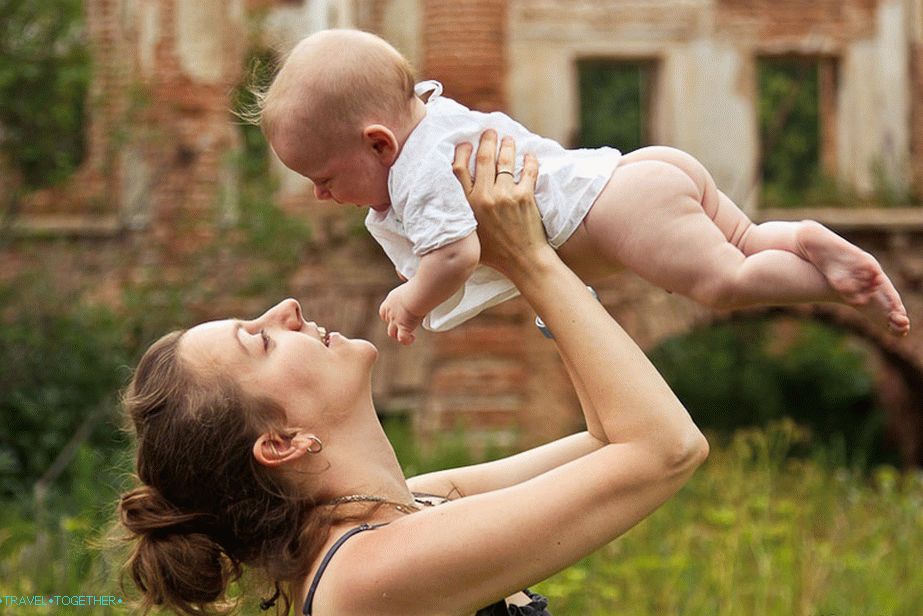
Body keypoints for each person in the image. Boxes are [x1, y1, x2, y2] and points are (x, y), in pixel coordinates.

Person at [116, 132, 709, 616]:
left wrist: (550, 260)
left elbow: (607, 440)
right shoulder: (362, 576)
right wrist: (530, 261)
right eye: (261, 340)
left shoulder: (418, 501)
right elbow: (664, 449)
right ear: (281, 442)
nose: (287, 309)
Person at [255, 29, 910, 345]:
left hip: (622, 208)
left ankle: (834, 284)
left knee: (722, 284)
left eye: (325, 178)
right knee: (745, 241)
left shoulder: (422, 175)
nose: (320, 195)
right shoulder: (436, 118)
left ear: (378, 144)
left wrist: (411, 303)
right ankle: (799, 237)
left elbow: (453, 255)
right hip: (640, 172)